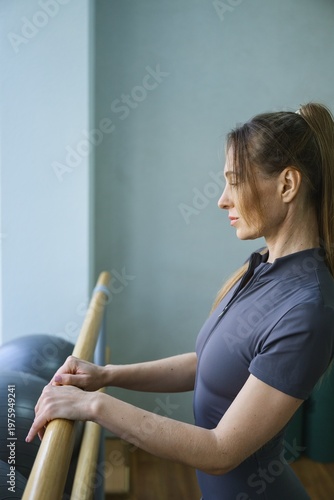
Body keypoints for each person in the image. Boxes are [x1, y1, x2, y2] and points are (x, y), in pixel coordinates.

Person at [26, 102, 334, 499]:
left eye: (234, 181)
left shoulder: (307, 309)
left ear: (288, 185)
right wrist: (107, 376)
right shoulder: (261, 267)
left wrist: (93, 407)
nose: (223, 199)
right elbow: (208, 365)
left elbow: (220, 451)